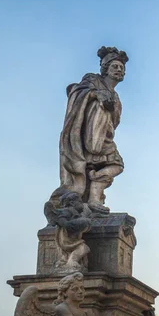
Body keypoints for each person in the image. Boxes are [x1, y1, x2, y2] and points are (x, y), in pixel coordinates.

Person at [53, 46, 128, 214]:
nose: (119, 70)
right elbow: (75, 91)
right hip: (87, 138)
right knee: (112, 163)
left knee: (117, 165)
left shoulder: (115, 95)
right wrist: (96, 95)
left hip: (104, 136)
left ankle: (94, 194)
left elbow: (114, 119)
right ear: (105, 68)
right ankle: (92, 197)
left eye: (122, 68)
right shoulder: (92, 80)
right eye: (115, 66)